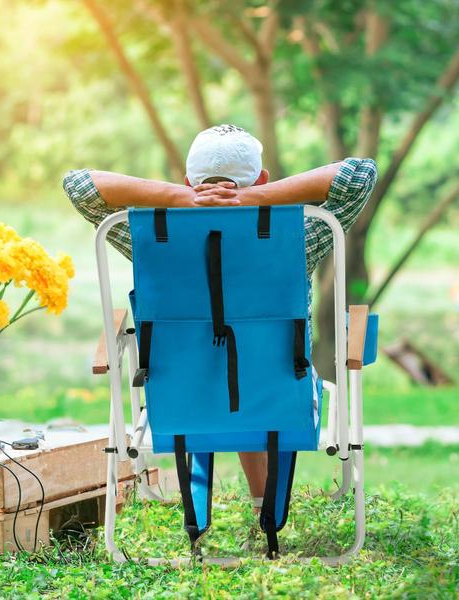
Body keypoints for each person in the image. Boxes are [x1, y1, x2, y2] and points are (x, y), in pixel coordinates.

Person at [64, 123, 377, 513]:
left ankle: (225, 502)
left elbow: (78, 185)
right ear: (262, 178)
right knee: (255, 366)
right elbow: (360, 174)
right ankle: (266, 507)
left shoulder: (151, 239)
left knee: (217, 364)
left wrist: (181, 198)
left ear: (186, 180)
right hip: (278, 397)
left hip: (179, 400)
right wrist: (255, 199)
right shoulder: (299, 234)